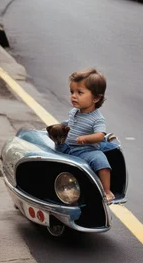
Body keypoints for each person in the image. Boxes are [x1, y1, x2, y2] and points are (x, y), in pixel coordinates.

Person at [56, 68, 115, 203]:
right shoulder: (74, 112)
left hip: (86, 150)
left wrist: (86, 138)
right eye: (72, 92)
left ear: (96, 98)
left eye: (79, 92)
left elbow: (100, 135)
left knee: (101, 161)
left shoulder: (97, 118)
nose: (74, 96)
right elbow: (70, 124)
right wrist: (59, 127)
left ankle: (107, 191)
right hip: (68, 147)